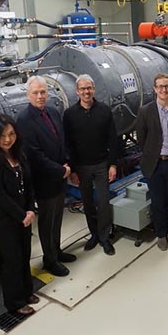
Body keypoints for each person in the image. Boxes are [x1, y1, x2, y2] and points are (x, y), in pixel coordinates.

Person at [17, 76, 76, 277]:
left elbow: (62, 140)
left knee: (57, 217)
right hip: (44, 180)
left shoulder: (52, 112)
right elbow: (34, 154)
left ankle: (57, 251)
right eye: (36, 93)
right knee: (47, 221)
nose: (40, 96)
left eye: (43, 92)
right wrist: (61, 170)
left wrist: (66, 163)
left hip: (60, 176)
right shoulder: (24, 120)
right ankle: (49, 259)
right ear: (28, 95)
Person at [0, 114, 38, 316]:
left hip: (23, 214)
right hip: (2, 218)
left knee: (24, 253)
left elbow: (29, 183)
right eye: (2, 135)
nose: (7, 139)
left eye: (11, 134)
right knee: (11, 259)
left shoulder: (18, 153)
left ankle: (27, 291)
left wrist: (30, 208)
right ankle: (14, 302)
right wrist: (21, 215)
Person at [63, 74, 120, 256]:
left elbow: (113, 139)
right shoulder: (70, 115)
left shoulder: (104, 110)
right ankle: (94, 234)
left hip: (102, 164)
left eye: (89, 88)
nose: (86, 92)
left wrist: (113, 164)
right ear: (77, 91)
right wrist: (72, 168)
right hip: (82, 167)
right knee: (87, 203)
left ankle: (104, 236)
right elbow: (68, 144)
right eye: (83, 89)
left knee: (103, 202)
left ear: (94, 89)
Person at [136, 73, 168, 251]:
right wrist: (152, 155)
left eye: (167, 86)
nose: (163, 90)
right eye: (160, 86)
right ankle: (160, 233)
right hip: (155, 164)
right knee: (158, 201)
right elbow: (142, 139)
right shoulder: (145, 111)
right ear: (154, 89)